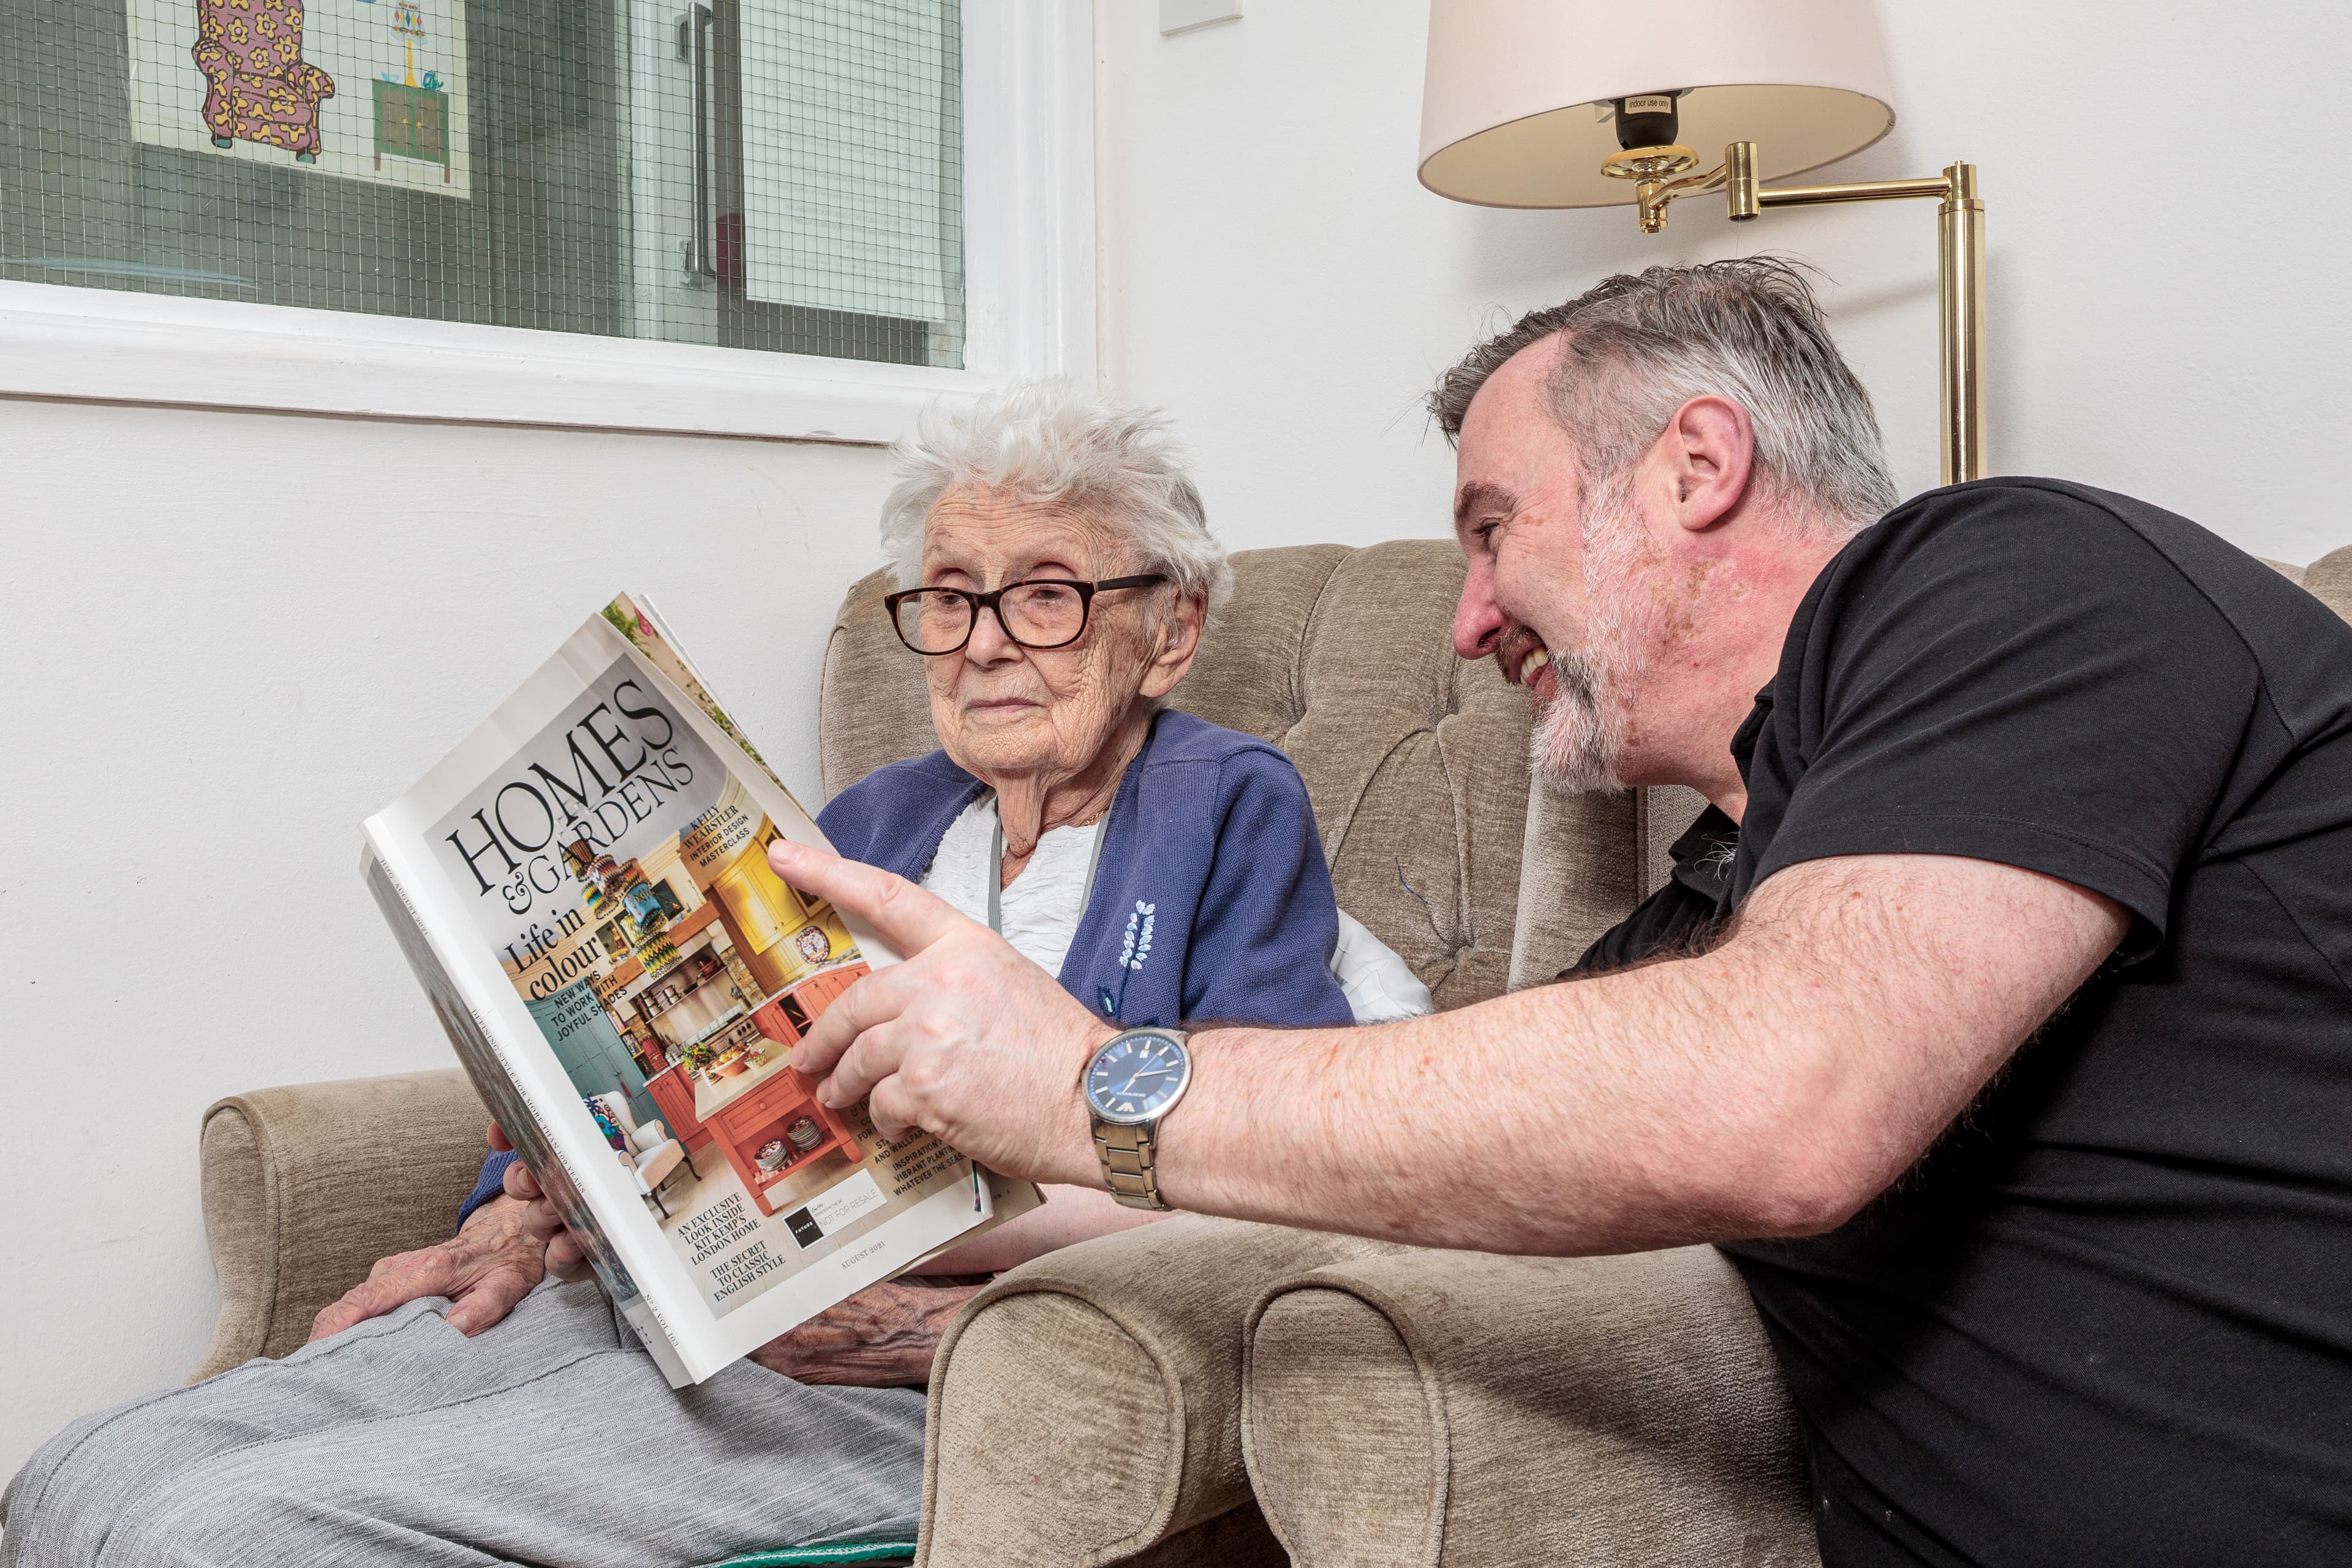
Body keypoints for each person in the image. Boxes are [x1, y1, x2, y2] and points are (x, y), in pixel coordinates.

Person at [747, 262, 2352, 1566]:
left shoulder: (2013, 576)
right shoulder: (1677, 952)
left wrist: (1093, 1081)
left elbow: (1784, 1098)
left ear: (1698, 465)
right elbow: (1352, 1188)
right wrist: (909, 1260)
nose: (1463, 622)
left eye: (1491, 528)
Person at [0, 383, 1422, 1567]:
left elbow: (1257, 1167)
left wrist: (932, 1309)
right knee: (80, 1476)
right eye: (948, 596)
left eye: (1045, 597)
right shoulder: (874, 821)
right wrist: (516, 1207)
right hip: (672, 1304)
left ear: (1168, 628)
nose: (983, 640)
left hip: (909, 1369)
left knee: (222, 1535)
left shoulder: (1227, 800)